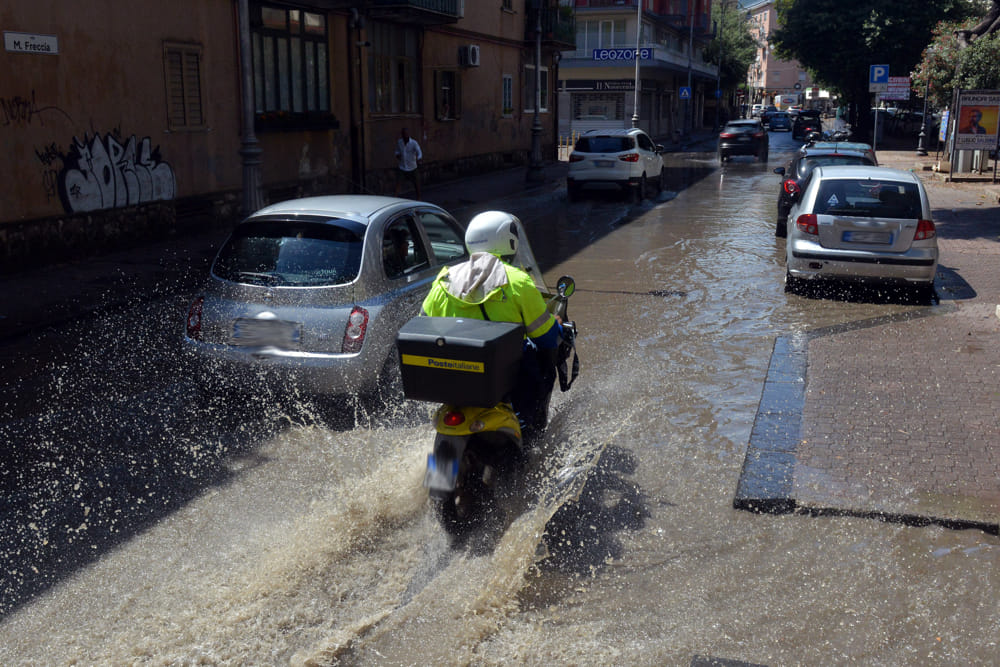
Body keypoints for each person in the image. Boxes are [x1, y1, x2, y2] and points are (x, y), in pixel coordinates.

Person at [421, 211, 561, 436]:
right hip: (503, 376)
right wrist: (557, 326)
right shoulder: (517, 281)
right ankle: (530, 429)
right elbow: (546, 337)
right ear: (509, 241)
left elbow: (422, 328)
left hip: (454, 374)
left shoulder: (443, 280)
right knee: (542, 361)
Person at [393, 127, 423, 199]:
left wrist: (419, 159)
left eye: (406, 134)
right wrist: (397, 155)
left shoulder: (413, 143)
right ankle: (395, 198)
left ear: (408, 134)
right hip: (402, 166)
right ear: (402, 135)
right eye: (403, 134)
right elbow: (397, 151)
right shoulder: (399, 142)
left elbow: (419, 152)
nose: (405, 135)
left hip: (412, 167)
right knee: (398, 183)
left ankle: (419, 198)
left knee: (416, 183)